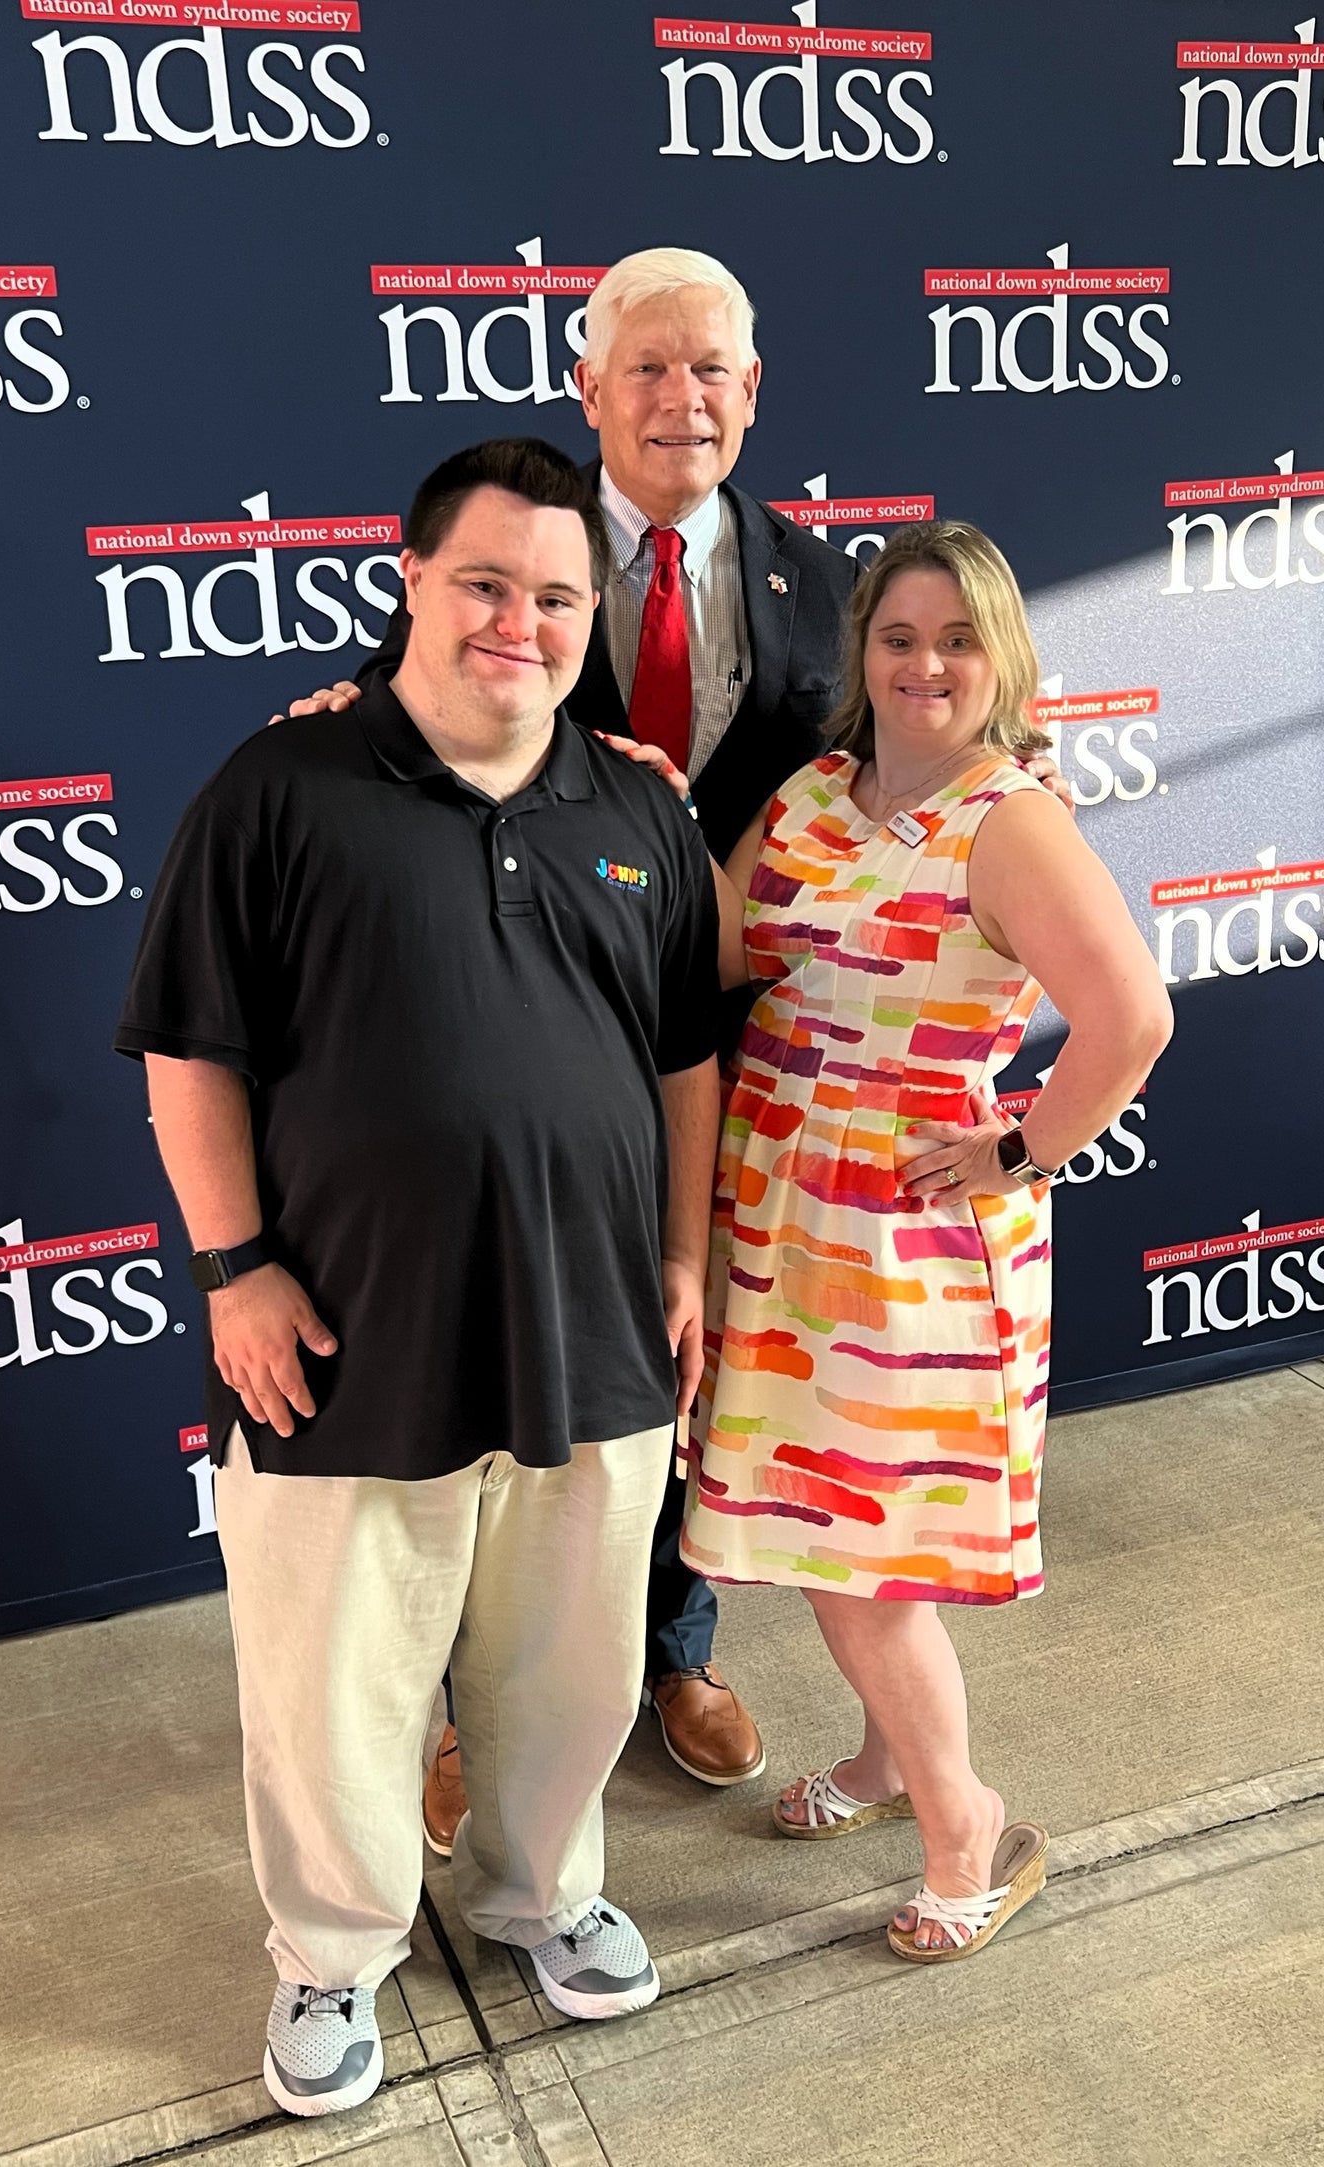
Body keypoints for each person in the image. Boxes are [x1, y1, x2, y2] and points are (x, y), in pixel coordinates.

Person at [283, 247, 1073, 1830]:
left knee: (687, 1370)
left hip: (732, 1060)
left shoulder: (816, 579)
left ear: (755, 392)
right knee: (505, 1364)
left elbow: (873, 801)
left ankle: (676, 1656)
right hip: (535, 1025)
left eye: (712, 368)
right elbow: (452, 671)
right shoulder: (534, 546)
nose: (681, 398)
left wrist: (1015, 1132)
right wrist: (350, 713)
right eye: (646, 367)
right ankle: (466, 1704)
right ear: (588, 390)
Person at [116, 438, 720, 2116]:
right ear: (409, 580)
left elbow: (682, 1057)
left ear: (589, 613)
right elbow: (191, 1053)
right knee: (334, 1680)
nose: (516, 624)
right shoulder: (278, 786)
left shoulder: (638, 807)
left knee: (574, 1660)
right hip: (342, 1337)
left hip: (595, 1324)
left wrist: (683, 1256)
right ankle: (331, 1956)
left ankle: (546, 1892)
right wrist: (233, 1268)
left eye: (553, 596)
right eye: (484, 585)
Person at [625, 520, 1172, 1960]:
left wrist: (1019, 1147)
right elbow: (720, 943)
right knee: (824, 1543)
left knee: (863, 1572)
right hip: (777, 1207)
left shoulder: (1013, 819)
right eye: (898, 637)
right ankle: (880, 1767)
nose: (925, 665)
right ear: (859, 654)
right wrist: (616, 810)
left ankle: (965, 1831)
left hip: (905, 1246)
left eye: (959, 639)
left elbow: (1132, 1021)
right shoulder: (814, 790)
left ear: (1005, 659)